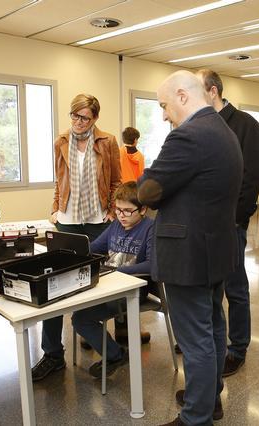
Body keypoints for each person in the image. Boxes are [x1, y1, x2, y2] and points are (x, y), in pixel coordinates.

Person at [138, 70, 242, 426]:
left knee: (196, 339)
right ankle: (209, 400)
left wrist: (150, 178)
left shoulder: (188, 136)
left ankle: (196, 417)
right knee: (212, 328)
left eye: (164, 106)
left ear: (182, 96)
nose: (164, 115)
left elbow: (147, 191)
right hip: (215, 250)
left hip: (188, 256)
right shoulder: (224, 130)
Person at [33, 94, 121, 380]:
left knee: (98, 283)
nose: (78, 122)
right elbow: (60, 180)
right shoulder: (61, 141)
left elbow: (116, 181)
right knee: (54, 286)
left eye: (85, 117)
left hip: (98, 222)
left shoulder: (107, 141)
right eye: (75, 115)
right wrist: (55, 208)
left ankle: (103, 342)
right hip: (68, 221)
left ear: (95, 118)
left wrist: (111, 211)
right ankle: (52, 354)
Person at [196, 69, 259, 377]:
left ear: (213, 91)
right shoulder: (198, 124)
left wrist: (236, 219)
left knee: (235, 288)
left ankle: (237, 348)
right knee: (208, 288)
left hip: (231, 225)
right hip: (202, 225)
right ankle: (208, 341)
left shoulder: (246, 125)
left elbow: (251, 178)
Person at [67, 181, 154, 378]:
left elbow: (152, 265)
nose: (121, 215)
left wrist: (117, 272)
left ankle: (115, 355)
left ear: (143, 209)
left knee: (81, 319)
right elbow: (94, 248)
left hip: (133, 291)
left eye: (127, 211)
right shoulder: (115, 225)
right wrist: (73, 251)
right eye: (118, 210)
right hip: (110, 286)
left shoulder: (150, 228)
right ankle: (115, 353)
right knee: (78, 312)